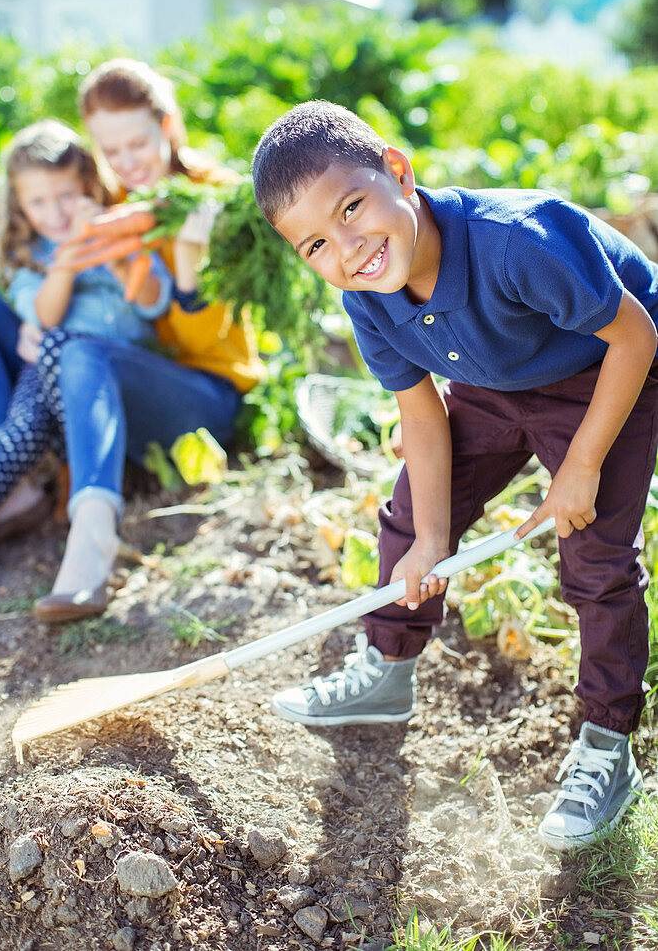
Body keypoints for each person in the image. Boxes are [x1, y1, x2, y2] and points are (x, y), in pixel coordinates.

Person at [251, 99, 658, 852]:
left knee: (594, 556)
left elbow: (636, 333)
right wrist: (432, 536)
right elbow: (421, 412)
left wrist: (580, 464)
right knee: (410, 520)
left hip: (606, 371)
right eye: (315, 244)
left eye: (351, 208)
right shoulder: (367, 298)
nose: (347, 248)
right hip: (493, 385)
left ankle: (606, 742)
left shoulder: (516, 241)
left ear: (397, 174)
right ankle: (387, 667)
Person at [27, 58, 262, 622]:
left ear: (169, 125)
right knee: (76, 348)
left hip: (208, 399)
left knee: (85, 353)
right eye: (112, 152)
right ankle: (60, 506)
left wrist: (186, 275)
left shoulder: (219, 199)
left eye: (139, 143)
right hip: (126, 389)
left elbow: (213, 336)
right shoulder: (110, 207)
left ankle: (90, 552)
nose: (128, 164)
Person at [0, 120, 172, 602]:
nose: (55, 212)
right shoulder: (29, 253)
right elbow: (45, 313)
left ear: (87, 188)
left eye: (65, 196)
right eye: (38, 202)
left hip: (108, 389)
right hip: (49, 379)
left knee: (60, 353)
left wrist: (106, 245)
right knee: (46, 357)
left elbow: (151, 303)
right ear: (19, 206)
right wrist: (68, 255)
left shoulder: (118, 230)